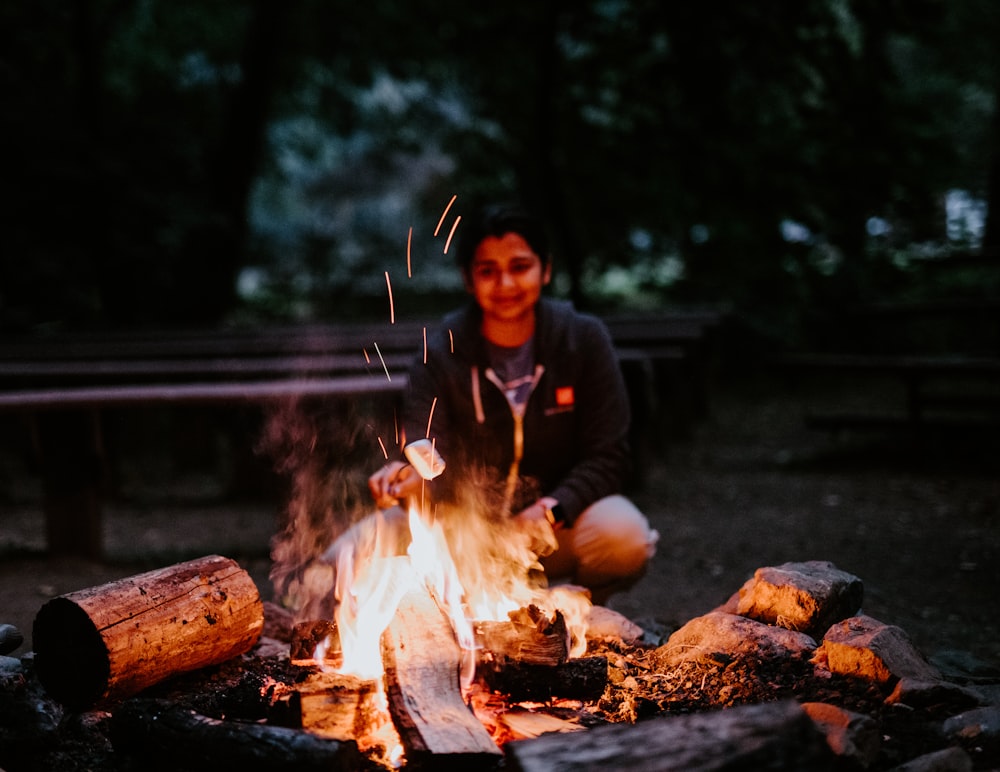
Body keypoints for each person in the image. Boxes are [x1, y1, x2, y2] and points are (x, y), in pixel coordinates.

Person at [367, 203, 658, 605]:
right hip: (468, 536)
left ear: (546, 270)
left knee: (623, 533)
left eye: (520, 267)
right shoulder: (441, 351)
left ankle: (574, 610)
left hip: (553, 532)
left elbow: (609, 455)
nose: (505, 284)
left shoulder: (582, 340)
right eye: (488, 271)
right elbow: (428, 451)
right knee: (360, 549)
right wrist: (409, 478)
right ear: (469, 279)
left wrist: (550, 512)